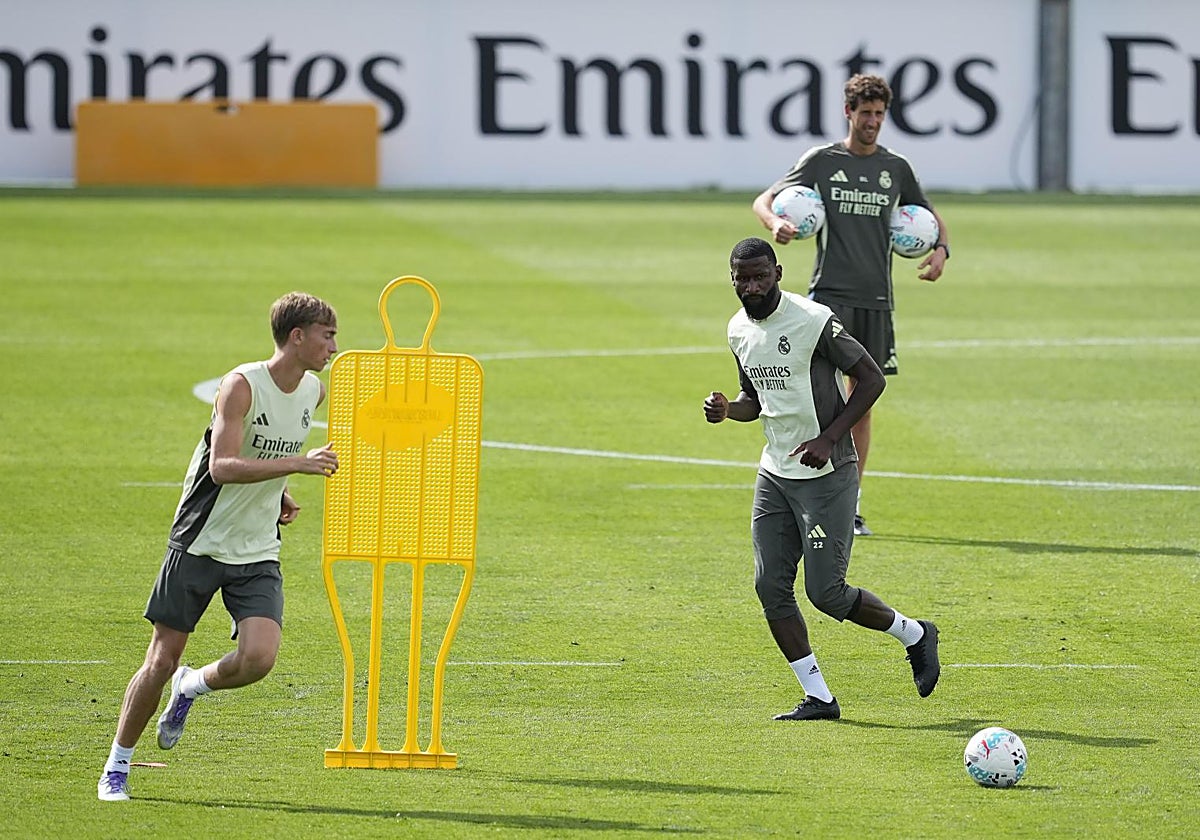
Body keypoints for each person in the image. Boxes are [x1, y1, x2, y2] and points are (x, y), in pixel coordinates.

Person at [97, 292, 341, 801]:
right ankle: (117, 765)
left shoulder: (313, 390)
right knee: (160, 660)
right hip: (201, 541)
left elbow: (263, 451)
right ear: (297, 336)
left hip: (256, 549)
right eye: (327, 335)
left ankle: (191, 687)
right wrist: (295, 467)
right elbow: (222, 466)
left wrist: (280, 493)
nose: (334, 346)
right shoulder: (240, 385)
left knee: (258, 659)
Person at [703, 237, 939, 721]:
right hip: (775, 472)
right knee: (770, 586)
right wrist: (730, 410)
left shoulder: (813, 321)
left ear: (778, 272)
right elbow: (756, 398)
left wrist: (830, 438)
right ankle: (819, 697)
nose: (750, 287)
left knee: (826, 593)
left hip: (827, 474)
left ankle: (915, 634)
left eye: (759, 276)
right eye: (741, 279)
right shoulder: (737, 330)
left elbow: (872, 378)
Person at [751, 73, 950, 537]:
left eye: (880, 115)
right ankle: (809, 491)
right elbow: (763, 199)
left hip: (876, 300)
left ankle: (850, 504)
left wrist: (941, 249)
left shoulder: (895, 168)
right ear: (849, 113)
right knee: (822, 399)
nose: (873, 123)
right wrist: (774, 222)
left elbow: (929, 215)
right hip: (829, 298)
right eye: (866, 114)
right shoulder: (822, 161)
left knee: (861, 403)